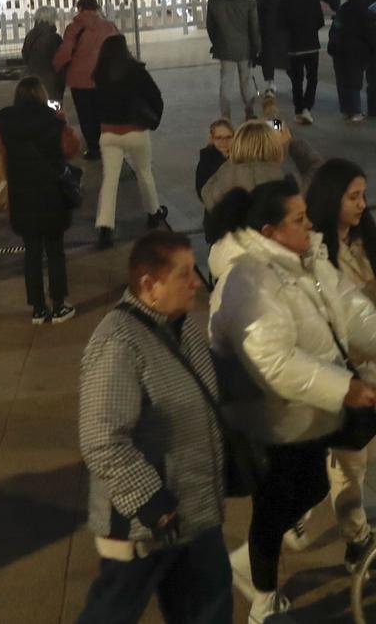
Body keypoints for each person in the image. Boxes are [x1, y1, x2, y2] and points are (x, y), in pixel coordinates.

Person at [209, 180, 376, 623]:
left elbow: (346, 304)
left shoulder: (305, 257)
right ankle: (262, 602)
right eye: (299, 218)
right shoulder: (249, 278)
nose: (310, 222)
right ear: (271, 230)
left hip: (307, 409)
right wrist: (342, 387)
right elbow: (271, 360)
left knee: (313, 487)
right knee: (273, 506)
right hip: (267, 414)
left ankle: (245, 563)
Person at [76, 232, 233, 623]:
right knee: (111, 613)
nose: (196, 281)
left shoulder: (177, 325)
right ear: (149, 285)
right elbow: (101, 439)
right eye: (184, 275)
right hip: (144, 525)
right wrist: (155, 506)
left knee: (208, 607)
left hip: (194, 512)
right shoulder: (118, 343)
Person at [297, 159, 376, 558]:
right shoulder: (315, 253)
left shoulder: (364, 241)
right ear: (332, 198)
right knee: (352, 464)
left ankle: (298, 507)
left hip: (370, 363)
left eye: (364, 195)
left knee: (358, 456)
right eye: (353, 196)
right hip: (339, 372)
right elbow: (330, 322)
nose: (362, 204)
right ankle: (358, 542)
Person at [0, 76, 81, 324]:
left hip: (22, 196)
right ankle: (58, 306)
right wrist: (64, 124)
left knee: (31, 253)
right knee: (55, 252)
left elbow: (3, 154)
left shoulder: (6, 123)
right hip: (52, 195)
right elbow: (71, 149)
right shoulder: (52, 121)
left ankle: (36, 308)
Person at [91, 33, 170, 250]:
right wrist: (153, 119)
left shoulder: (99, 74)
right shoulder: (137, 71)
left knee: (110, 180)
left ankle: (105, 228)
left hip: (109, 134)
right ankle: (153, 212)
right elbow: (156, 95)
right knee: (144, 171)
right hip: (136, 131)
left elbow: (94, 106)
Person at [55, 0, 119, 170]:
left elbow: (65, 53)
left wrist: (56, 66)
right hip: (103, 78)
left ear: (80, 8)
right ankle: (107, 145)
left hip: (80, 80)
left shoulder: (73, 28)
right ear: (96, 7)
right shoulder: (108, 26)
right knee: (103, 112)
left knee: (86, 114)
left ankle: (93, 148)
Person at [207, 0, 263, 121]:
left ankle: (225, 116)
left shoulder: (214, 2)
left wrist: (217, 43)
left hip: (224, 48)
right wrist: (256, 48)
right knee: (246, 80)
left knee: (226, 82)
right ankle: (250, 112)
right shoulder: (249, 2)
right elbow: (254, 28)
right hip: (245, 48)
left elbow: (210, 27)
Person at [194, 118, 234, 199]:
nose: (224, 141)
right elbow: (202, 191)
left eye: (228, 137)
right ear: (212, 139)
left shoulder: (241, 157)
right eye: (219, 138)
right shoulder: (206, 160)